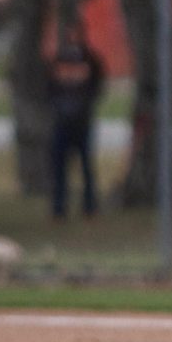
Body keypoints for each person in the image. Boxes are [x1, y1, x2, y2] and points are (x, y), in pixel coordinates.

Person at [47, 21, 105, 220]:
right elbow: (49, 87)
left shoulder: (90, 59)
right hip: (62, 122)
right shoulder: (58, 59)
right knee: (59, 168)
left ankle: (89, 207)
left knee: (87, 167)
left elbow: (98, 86)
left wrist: (85, 105)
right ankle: (59, 208)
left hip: (83, 122)